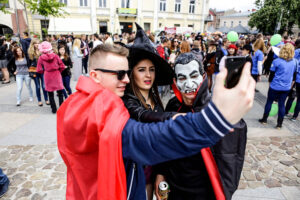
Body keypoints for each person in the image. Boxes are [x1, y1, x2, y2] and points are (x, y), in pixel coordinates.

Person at [57, 42, 255, 200]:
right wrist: (212, 121)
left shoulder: (83, 102)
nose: (126, 79)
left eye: (127, 72)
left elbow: (229, 163)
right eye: (119, 74)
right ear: (95, 76)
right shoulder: (94, 110)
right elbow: (144, 138)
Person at [154, 52, 247, 200]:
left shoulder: (217, 109)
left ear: (203, 78)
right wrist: (160, 173)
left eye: (193, 76)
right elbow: (164, 145)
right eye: (182, 78)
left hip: (204, 193)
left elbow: (231, 159)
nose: (189, 84)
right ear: (175, 82)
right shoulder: (173, 106)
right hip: (175, 189)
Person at [122, 24, 176, 200]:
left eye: (151, 69)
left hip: (159, 170)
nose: (148, 75)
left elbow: (164, 143)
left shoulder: (157, 101)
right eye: (141, 70)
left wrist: (162, 177)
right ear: (132, 73)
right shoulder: (127, 101)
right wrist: (173, 118)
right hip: (138, 174)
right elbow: (141, 114)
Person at [259, 43, 297, 129]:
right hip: (286, 87)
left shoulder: (276, 61)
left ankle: (264, 119)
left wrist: (270, 85)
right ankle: (279, 124)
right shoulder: (295, 62)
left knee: (269, 102)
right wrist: (290, 86)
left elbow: (271, 76)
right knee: (281, 104)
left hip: (275, 86)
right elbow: (294, 76)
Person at [37, 41, 65, 113]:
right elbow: (62, 66)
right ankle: (62, 108)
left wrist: (44, 72)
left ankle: (53, 109)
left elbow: (39, 69)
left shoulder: (41, 58)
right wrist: (59, 71)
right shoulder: (55, 56)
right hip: (56, 74)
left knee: (50, 94)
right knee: (60, 93)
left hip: (48, 75)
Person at [28, 38, 49, 106]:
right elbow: (29, 63)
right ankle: (39, 100)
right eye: (35, 43)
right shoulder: (30, 52)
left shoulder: (42, 51)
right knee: (37, 86)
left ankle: (46, 99)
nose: (37, 44)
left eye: (38, 43)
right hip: (35, 71)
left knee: (44, 86)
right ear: (33, 44)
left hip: (42, 71)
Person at [287, 39, 300, 120]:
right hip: (297, 78)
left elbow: (292, 60)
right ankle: (295, 116)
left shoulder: (298, 51)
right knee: (299, 100)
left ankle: (285, 112)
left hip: (296, 78)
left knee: (291, 96)